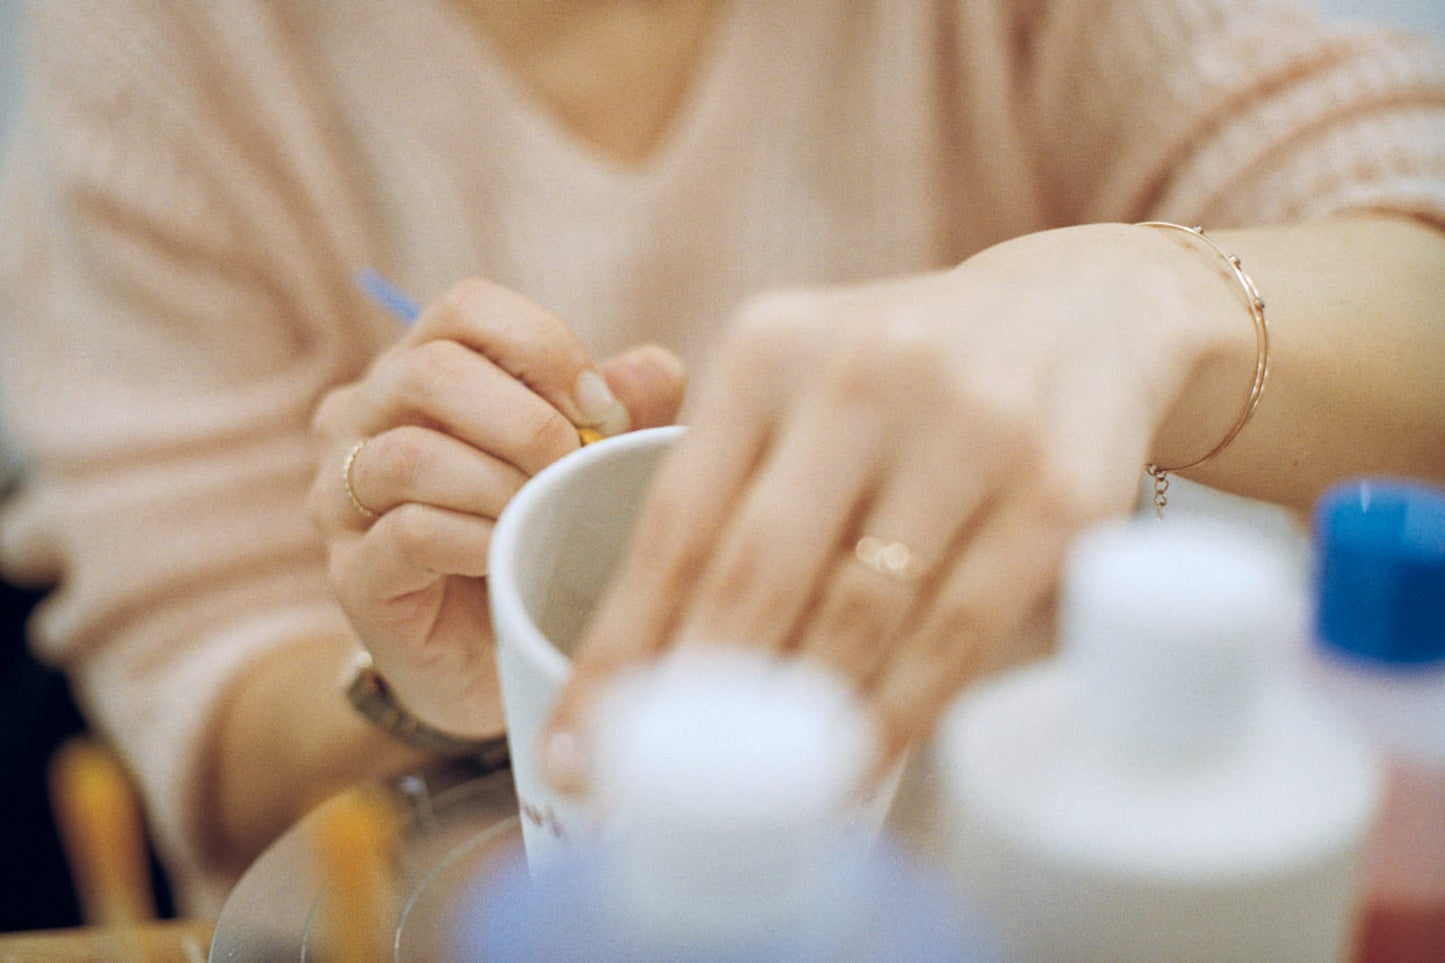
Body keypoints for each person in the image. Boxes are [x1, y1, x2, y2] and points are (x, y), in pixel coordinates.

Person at [1, 0, 1442, 918]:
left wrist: (1145, 299)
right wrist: (445, 687)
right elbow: (204, 711)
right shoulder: (167, 40)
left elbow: (1405, 250)